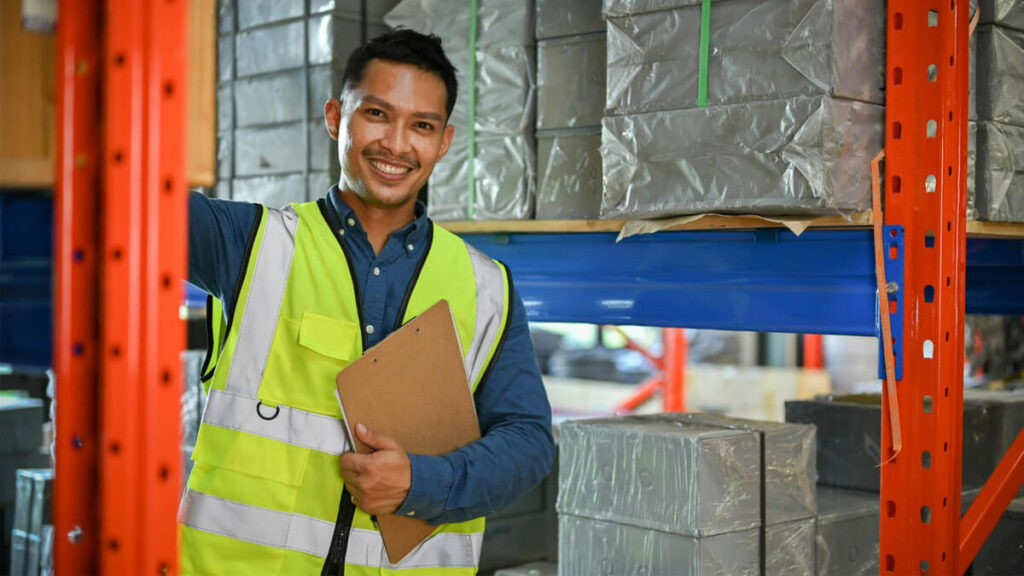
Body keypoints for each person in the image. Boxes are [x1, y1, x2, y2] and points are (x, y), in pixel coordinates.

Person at [180, 29, 554, 575]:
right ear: (336, 117)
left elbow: (528, 442)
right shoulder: (249, 244)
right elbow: (127, 194)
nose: (397, 145)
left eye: (421, 126)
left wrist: (423, 483)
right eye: (377, 114)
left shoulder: (486, 287)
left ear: (444, 142)